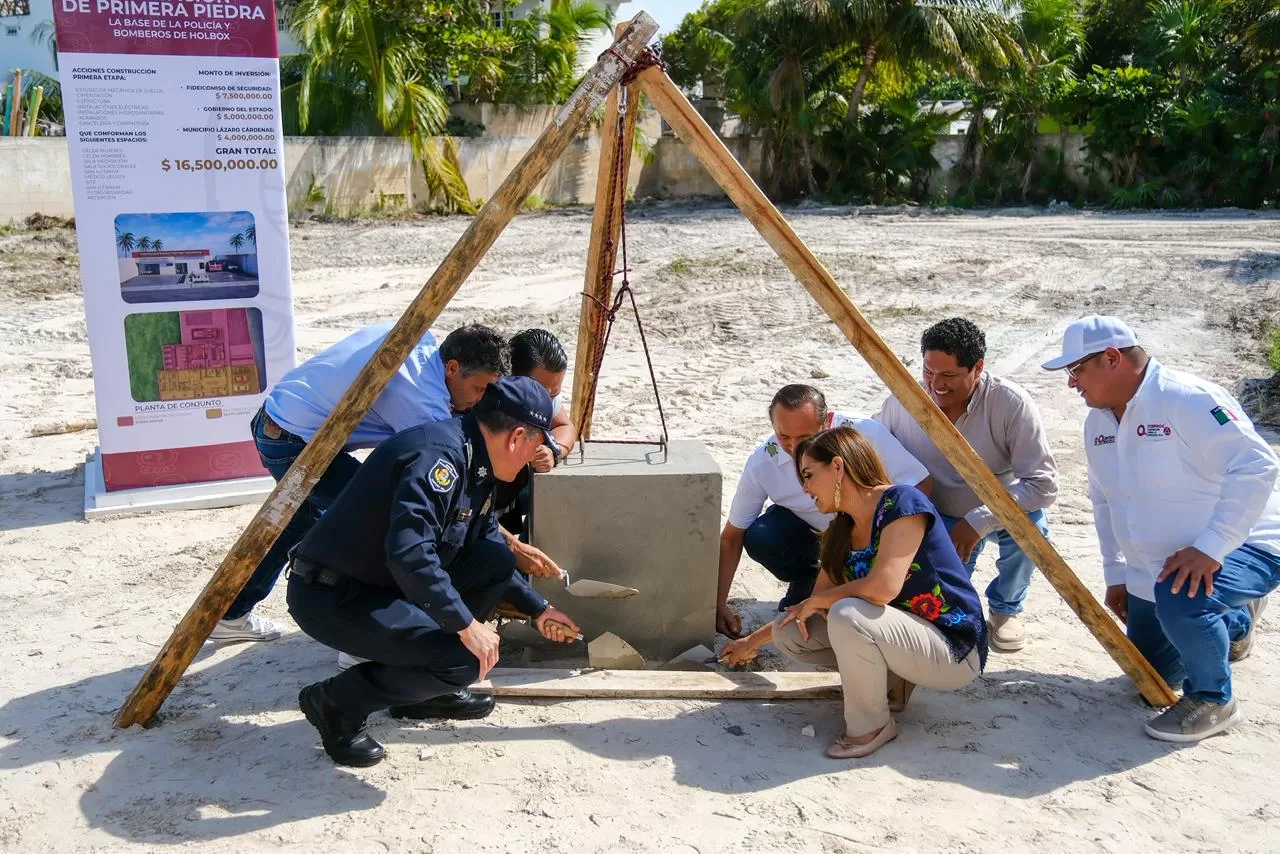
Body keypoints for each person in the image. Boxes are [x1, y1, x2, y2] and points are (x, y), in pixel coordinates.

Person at [287, 376, 581, 766]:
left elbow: (483, 542)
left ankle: (422, 693)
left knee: (496, 560)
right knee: (465, 659)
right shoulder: (438, 460)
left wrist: (539, 609)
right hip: (334, 596)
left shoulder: (474, 456)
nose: (533, 457)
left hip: (383, 583)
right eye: (537, 445)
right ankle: (336, 703)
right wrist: (466, 626)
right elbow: (410, 554)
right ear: (516, 438)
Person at [1043, 315, 1280, 742]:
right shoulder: (1098, 422)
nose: (1071, 383)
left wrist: (1211, 549)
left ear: (1112, 358)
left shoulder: (1186, 398)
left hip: (1243, 543)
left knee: (1182, 599)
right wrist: (1118, 574)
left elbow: (1257, 465)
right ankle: (1235, 621)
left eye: (1076, 370)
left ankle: (1213, 699)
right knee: (1152, 674)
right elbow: (1105, 499)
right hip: (1161, 563)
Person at [211, 322, 509, 644]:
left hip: (277, 418)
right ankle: (360, 633)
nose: (480, 399)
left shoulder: (416, 336)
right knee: (376, 521)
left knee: (299, 522)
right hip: (296, 443)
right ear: (452, 368)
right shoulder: (421, 400)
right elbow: (443, 464)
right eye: (479, 388)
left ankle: (231, 614)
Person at [724, 426, 987, 759]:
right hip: (903, 639)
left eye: (808, 475)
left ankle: (871, 726)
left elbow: (883, 588)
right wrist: (752, 641)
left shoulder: (902, 501)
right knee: (788, 631)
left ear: (837, 467)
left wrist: (821, 601)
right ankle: (891, 682)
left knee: (846, 613)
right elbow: (810, 606)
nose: (804, 488)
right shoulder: (840, 531)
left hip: (953, 649)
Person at [875, 318, 1058, 652]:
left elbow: (1043, 484)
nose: (935, 385)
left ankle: (1005, 609)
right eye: (928, 372)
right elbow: (872, 449)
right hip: (935, 515)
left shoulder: (1011, 404)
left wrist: (980, 519)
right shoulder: (902, 400)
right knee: (940, 603)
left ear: (978, 368)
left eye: (948, 375)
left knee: (1033, 529)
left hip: (997, 511)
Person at [717, 384, 931, 637]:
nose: (794, 447)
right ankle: (808, 579)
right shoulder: (763, 462)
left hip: (877, 538)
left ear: (827, 423)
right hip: (828, 541)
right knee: (762, 535)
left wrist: (888, 546)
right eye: (784, 437)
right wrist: (718, 605)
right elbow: (732, 536)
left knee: (848, 612)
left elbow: (919, 487)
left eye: (804, 438)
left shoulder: (864, 434)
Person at [493, 329, 579, 542]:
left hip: (515, 492)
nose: (546, 401)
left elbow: (565, 426)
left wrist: (553, 451)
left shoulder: (546, 391)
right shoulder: (487, 398)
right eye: (540, 392)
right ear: (509, 375)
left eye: (553, 394)